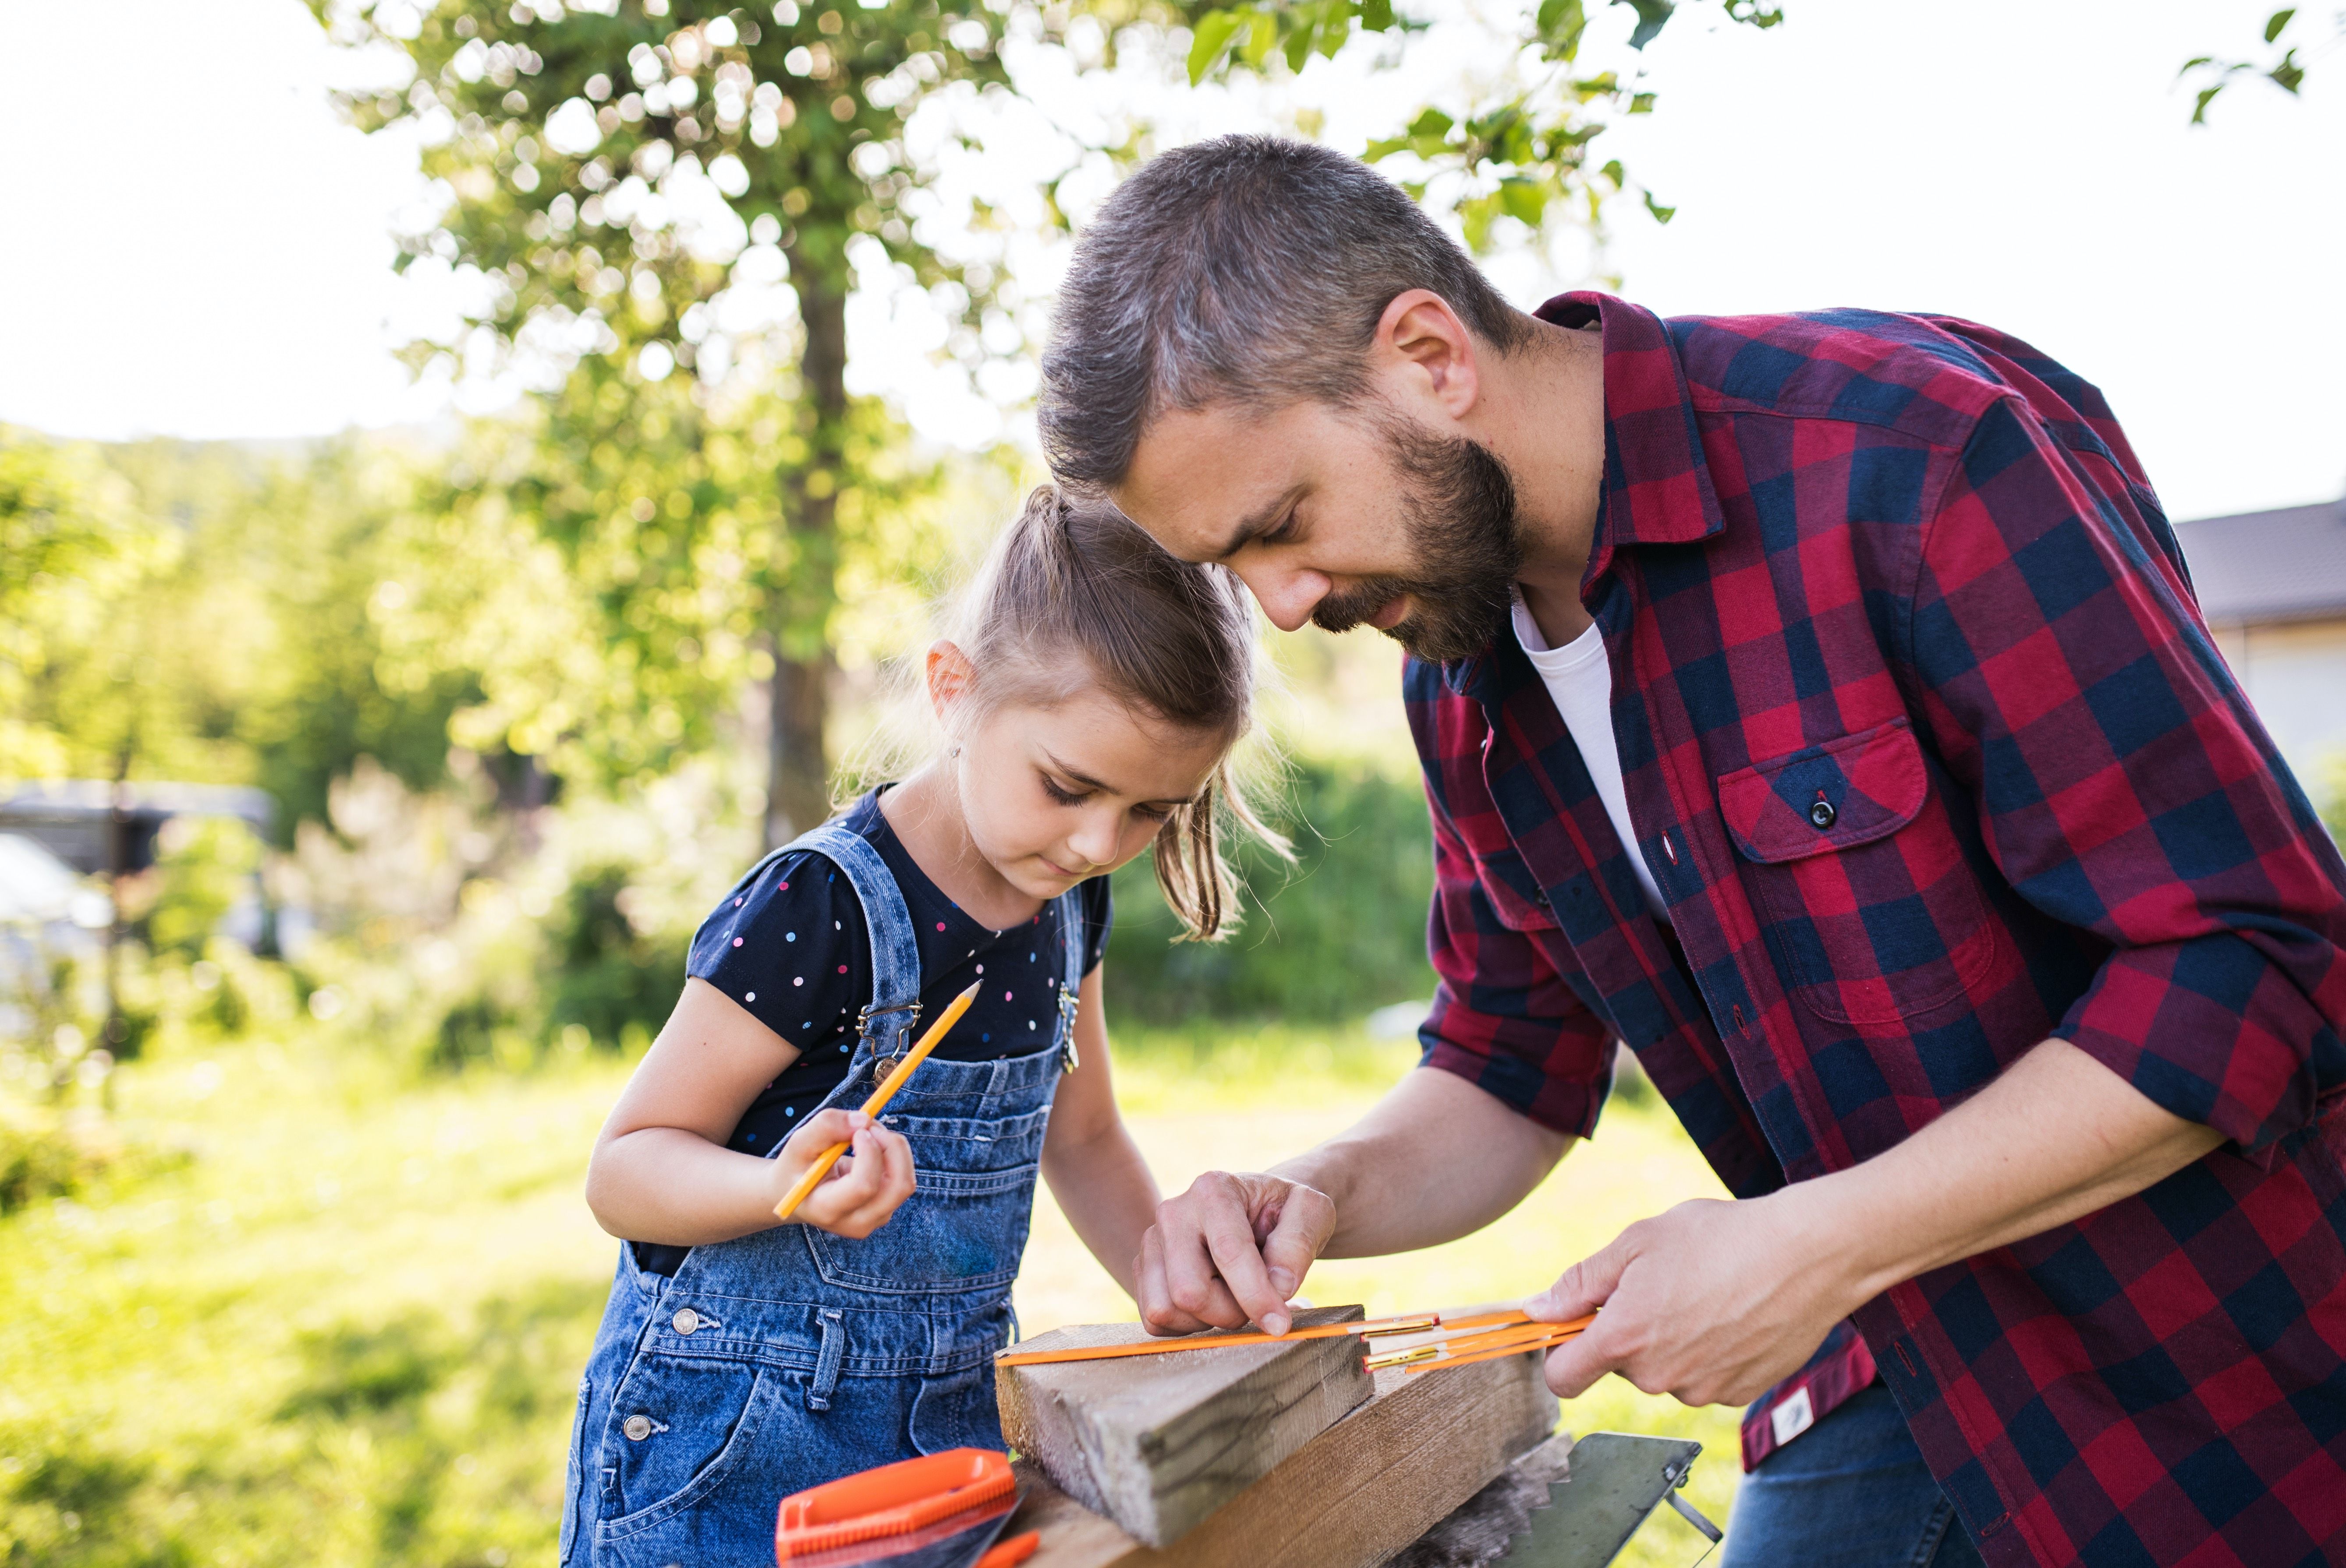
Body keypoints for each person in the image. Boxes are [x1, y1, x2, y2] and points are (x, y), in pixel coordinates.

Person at [1037, 136, 2346, 1568]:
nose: (1282, 609)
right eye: (1236, 569)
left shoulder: (1912, 460)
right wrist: (1321, 1192)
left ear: (1426, 354)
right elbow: (1507, 1062)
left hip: (2213, 1369)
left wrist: (1813, 1245)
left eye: (1279, 526)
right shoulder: (1461, 674)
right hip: (1879, 1357)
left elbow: (2246, 962)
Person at [558, 486, 1282, 1568]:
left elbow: (1081, 1140)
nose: (1096, 840)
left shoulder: (1066, 903)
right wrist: (779, 1186)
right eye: (1068, 786)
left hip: (945, 1440)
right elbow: (624, 1170)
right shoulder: (822, 906)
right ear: (955, 691)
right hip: (731, 1452)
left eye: (1149, 812)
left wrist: (1170, 1283)